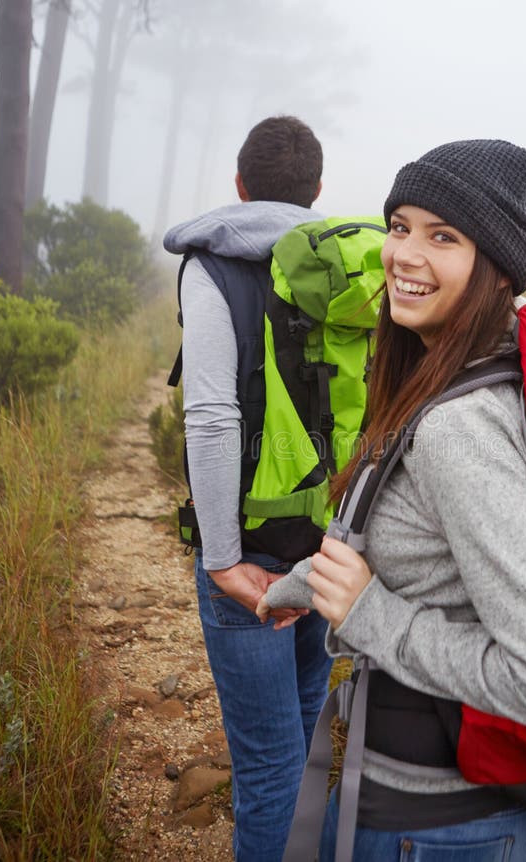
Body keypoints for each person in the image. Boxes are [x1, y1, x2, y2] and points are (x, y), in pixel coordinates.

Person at [258, 139, 526, 861]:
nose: (404, 255)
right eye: (400, 226)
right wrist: (304, 585)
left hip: (449, 828)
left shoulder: (458, 427)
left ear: (497, 268)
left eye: (443, 236)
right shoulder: (478, 368)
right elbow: (426, 536)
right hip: (480, 815)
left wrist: (369, 614)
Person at [162, 115, 333, 862]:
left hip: (251, 558)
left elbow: (210, 415)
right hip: (328, 550)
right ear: (317, 191)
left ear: (239, 186)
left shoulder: (212, 265)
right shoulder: (347, 267)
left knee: (269, 767)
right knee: (307, 754)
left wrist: (224, 560)